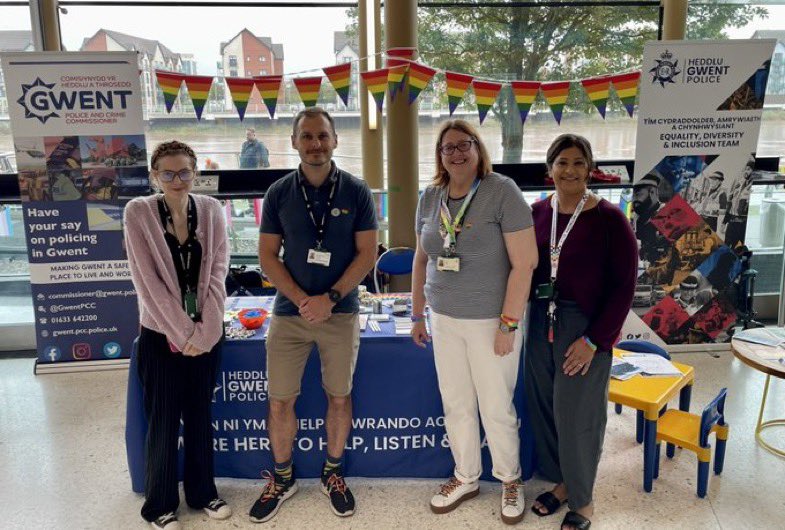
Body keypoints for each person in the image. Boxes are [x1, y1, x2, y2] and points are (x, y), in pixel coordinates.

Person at [251, 107, 378, 523]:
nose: (315, 144)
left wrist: (332, 296)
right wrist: (305, 298)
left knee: (339, 396)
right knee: (280, 400)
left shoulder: (357, 191)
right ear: (293, 142)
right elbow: (267, 257)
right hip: (289, 314)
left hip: (340, 314)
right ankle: (283, 478)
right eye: (307, 136)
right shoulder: (278, 193)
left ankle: (333, 473)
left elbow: (367, 253)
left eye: (322, 136)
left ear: (336, 140)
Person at [410, 119, 537, 525]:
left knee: (496, 405)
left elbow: (525, 263)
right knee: (457, 403)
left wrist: (508, 324)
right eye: (448, 148)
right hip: (443, 318)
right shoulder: (430, 197)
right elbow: (421, 258)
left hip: (490, 321)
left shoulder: (502, 191)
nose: (456, 153)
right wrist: (417, 313)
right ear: (439, 156)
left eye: (464, 145)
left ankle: (510, 479)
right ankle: (466, 475)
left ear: (479, 149)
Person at [526, 134, 637, 530]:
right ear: (549, 169)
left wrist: (594, 341)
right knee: (544, 406)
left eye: (578, 162)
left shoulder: (611, 220)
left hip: (586, 326)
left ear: (590, 169)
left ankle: (584, 500)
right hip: (541, 319)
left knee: (579, 414)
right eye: (562, 162)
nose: (569, 170)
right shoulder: (537, 213)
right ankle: (562, 484)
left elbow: (624, 288)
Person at [124, 140, 232, 530]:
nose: (177, 180)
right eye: (167, 173)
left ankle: (204, 493)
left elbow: (219, 268)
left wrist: (205, 332)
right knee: (163, 420)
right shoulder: (137, 213)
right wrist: (181, 331)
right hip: (159, 335)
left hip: (206, 334)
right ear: (154, 176)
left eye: (184, 172)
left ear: (195, 172)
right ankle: (160, 505)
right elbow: (146, 282)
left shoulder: (211, 209)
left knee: (200, 416)